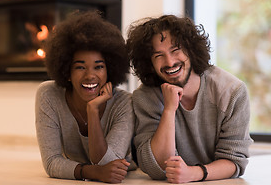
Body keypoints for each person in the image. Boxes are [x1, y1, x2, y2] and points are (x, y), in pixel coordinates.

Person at [126, 14, 253, 184]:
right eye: (159, 56)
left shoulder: (231, 91)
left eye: (175, 50)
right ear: (149, 64)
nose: (169, 62)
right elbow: (156, 167)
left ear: (191, 50)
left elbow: (234, 161)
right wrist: (169, 110)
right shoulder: (145, 97)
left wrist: (193, 173)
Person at [35, 10, 135, 183]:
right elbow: (51, 163)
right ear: (67, 72)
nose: (90, 76)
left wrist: (93, 110)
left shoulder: (124, 102)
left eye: (98, 67)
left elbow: (108, 163)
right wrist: (93, 173)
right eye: (80, 67)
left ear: (109, 70)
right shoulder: (48, 95)